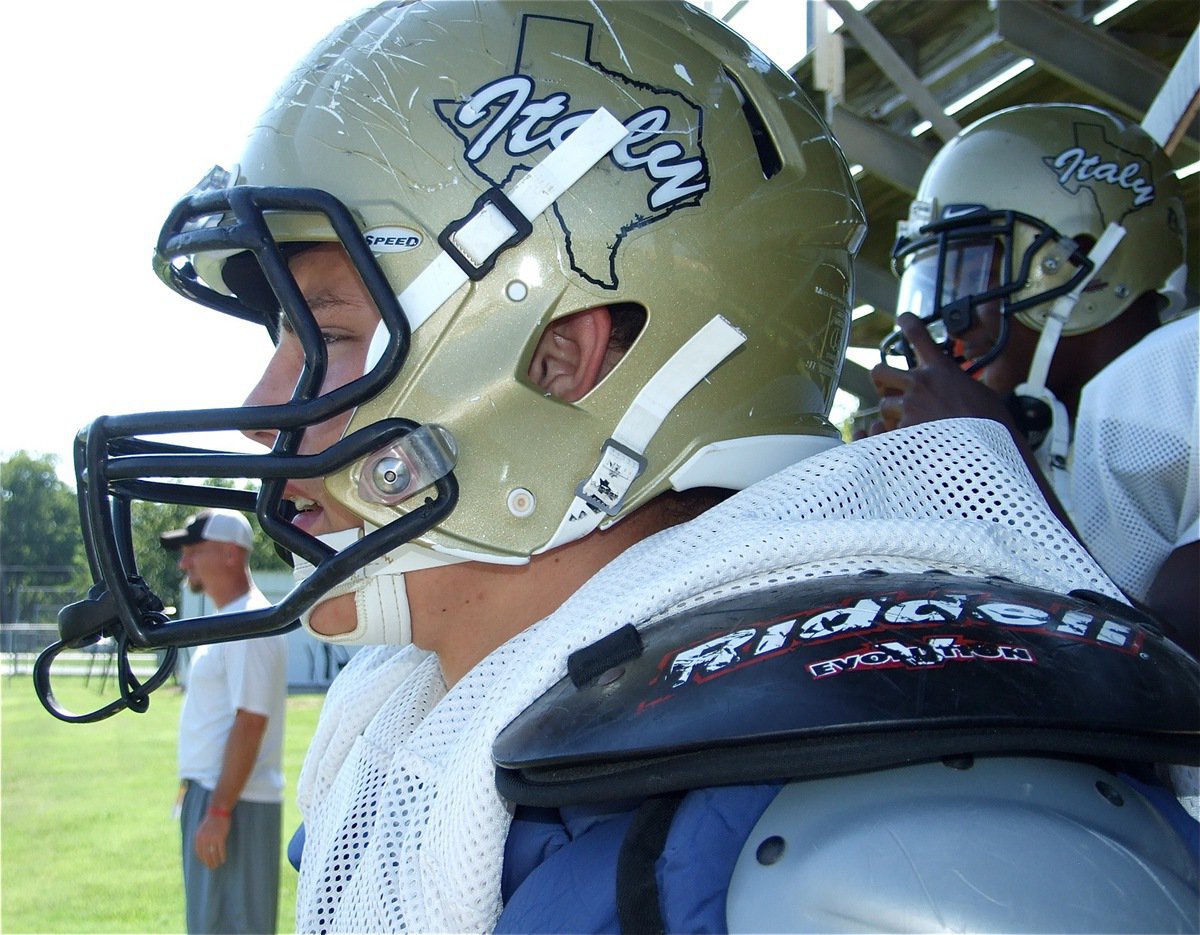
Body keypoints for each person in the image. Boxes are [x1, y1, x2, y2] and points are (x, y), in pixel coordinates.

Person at [59, 4, 1197, 932]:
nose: (268, 410)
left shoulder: (883, 860)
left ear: (564, 354)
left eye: (334, 332)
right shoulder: (421, 734)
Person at [865, 102, 1198, 661]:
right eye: (932, 281)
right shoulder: (1046, 428)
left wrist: (983, 467)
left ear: (1083, 261)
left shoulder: (1179, 377)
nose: (950, 320)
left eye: (967, 273)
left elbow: (1171, 681)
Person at [160, 509, 288, 935]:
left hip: (234, 803)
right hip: (222, 798)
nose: (184, 563)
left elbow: (251, 721)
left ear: (231, 554)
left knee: (231, 926)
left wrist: (218, 809)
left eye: (193, 551)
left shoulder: (249, 622)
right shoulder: (231, 619)